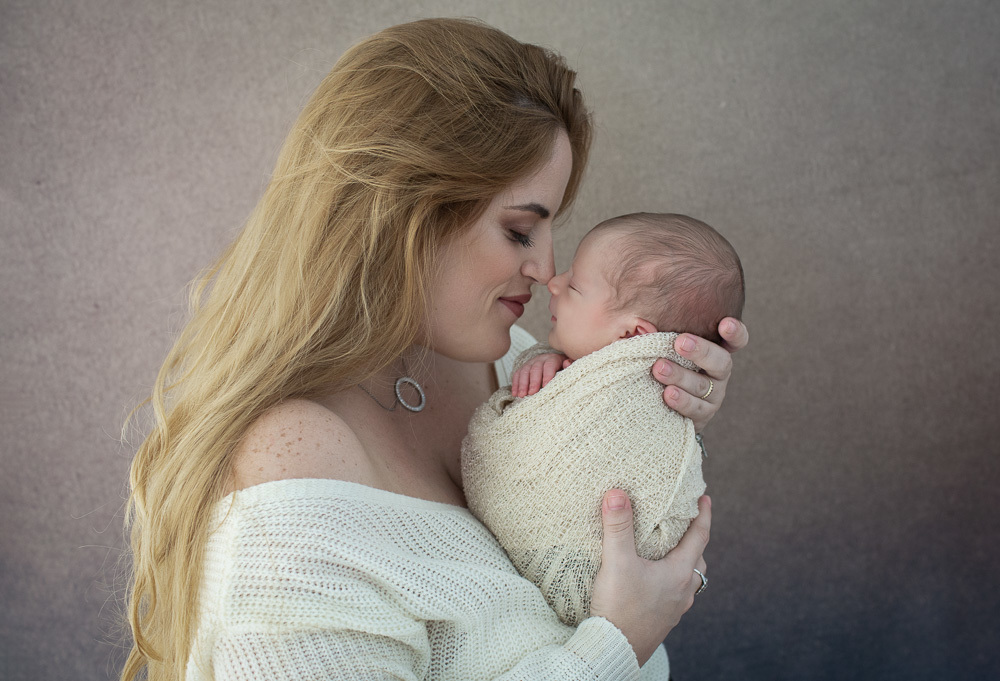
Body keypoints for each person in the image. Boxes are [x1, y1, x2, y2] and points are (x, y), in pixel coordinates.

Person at [121, 18, 748, 681]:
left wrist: (652, 405)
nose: (546, 269)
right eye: (519, 229)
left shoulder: (512, 364)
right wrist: (619, 642)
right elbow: (613, 623)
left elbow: (605, 547)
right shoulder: (292, 467)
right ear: (401, 215)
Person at [462, 212, 745, 626]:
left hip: (585, 565)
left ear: (631, 338)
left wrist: (690, 431)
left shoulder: (646, 396)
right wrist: (544, 358)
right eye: (518, 233)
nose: (552, 280)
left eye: (574, 285)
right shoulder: (549, 359)